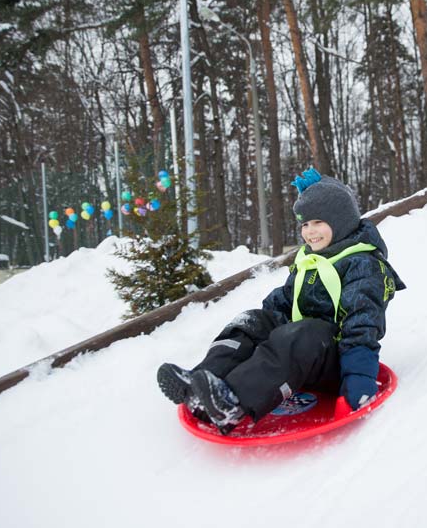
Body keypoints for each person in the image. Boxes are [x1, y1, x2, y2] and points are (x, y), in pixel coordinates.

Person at [156, 168, 406, 434]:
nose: (310, 232)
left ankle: (233, 402)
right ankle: (203, 381)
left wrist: (358, 383)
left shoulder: (363, 264)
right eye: (305, 225)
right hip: (299, 350)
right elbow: (286, 300)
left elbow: (363, 325)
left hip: (336, 359)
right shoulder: (312, 260)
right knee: (253, 321)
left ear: (341, 221)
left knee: (303, 332)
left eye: (318, 222)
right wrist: (259, 331)